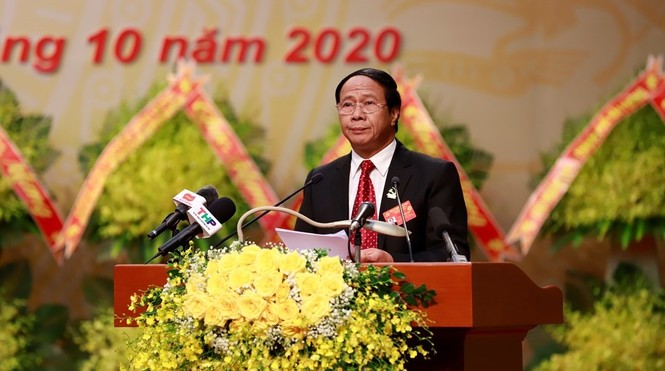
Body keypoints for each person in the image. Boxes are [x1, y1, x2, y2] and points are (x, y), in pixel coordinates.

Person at [295, 67, 469, 263]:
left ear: (394, 113)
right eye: (347, 105)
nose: (357, 114)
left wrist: (393, 261)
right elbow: (302, 253)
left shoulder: (433, 174)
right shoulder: (321, 180)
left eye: (369, 103)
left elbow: (452, 255)